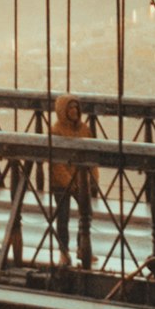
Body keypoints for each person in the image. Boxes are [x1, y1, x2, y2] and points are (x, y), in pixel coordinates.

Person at [45, 93, 102, 270]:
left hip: (80, 181)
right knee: (63, 217)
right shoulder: (55, 131)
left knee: (87, 212)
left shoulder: (84, 129)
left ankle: (81, 248)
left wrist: (93, 178)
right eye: (70, 108)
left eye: (76, 107)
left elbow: (91, 156)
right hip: (61, 183)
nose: (74, 111)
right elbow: (56, 163)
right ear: (63, 111)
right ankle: (64, 252)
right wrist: (69, 182)